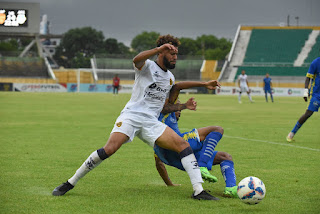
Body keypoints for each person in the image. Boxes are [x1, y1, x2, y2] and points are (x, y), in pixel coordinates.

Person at [52, 34, 221, 200]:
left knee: (183, 146)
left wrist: (183, 106)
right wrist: (157, 49)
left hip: (151, 122)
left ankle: (198, 191)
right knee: (109, 149)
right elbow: (136, 60)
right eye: (172, 53)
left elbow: (164, 108)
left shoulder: (170, 78)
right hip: (131, 116)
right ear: (162, 52)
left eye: (177, 54)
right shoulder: (146, 66)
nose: (175, 57)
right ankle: (70, 182)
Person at [155, 100, 238, 198]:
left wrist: (169, 184)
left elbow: (159, 163)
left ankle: (230, 188)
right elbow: (176, 89)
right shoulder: (164, 113)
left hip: (176, 158)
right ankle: (202, 166)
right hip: (178, 144)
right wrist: (184, 105)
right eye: (177, 106)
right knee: (217, 129)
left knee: (225, 157)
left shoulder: (158, 137)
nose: (179, 110)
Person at [286, 57, 320, 142]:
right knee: (308, 114)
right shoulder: (315, 63)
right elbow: (308, 78)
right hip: (316, 95)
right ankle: (292, 133)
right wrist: (305, 91)